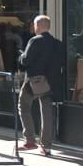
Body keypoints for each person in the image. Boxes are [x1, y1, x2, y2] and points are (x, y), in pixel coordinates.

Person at [17, 15, 65, 155]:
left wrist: (20, 55)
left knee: (24, 106)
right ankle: (46, 146)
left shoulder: (35, 40)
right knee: (47, 112)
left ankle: (30, 140)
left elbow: (25, 60)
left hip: (34, 80)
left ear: (37, 25)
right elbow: (61, 63)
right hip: (51, 82)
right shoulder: (58, 43)